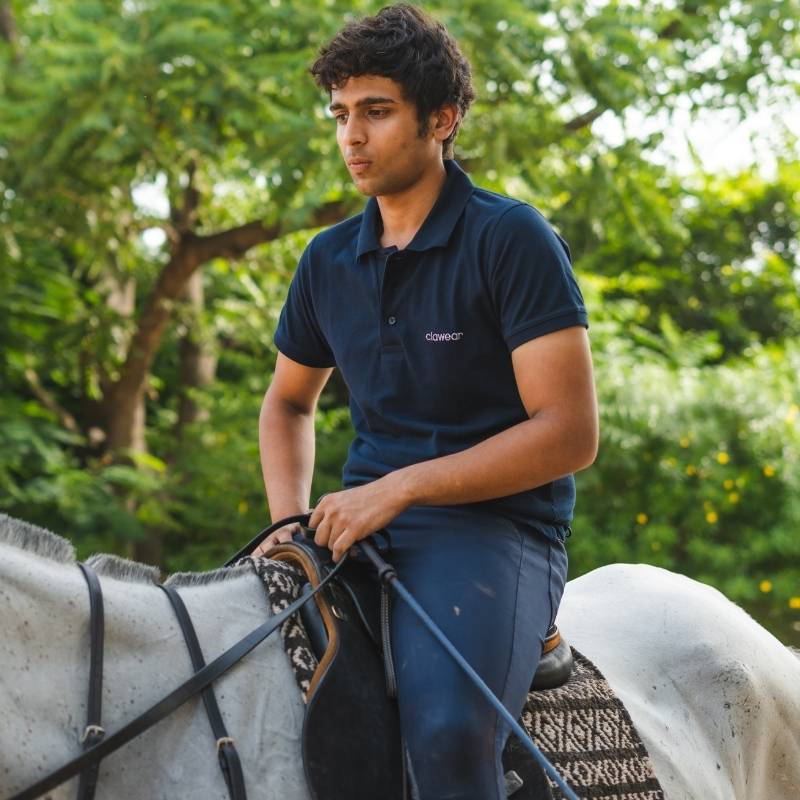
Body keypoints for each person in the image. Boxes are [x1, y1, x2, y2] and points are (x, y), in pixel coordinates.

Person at [252, 4, 598, 799]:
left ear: (441, 119)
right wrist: (285, 521)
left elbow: (569, 433)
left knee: (445, 735)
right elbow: (288, 404)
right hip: (352, 527)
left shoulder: (510, 239)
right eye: (340, 114)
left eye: (375, 112)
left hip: (496, 530)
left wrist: (401, 487)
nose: (352, 136)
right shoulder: (327, 260)